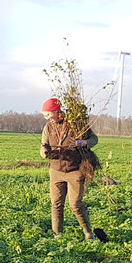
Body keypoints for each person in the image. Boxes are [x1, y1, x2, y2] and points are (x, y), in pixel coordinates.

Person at [39, 97, 99, 240]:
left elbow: (94, 139)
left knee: (75, 204)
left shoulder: (75, 123)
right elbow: (42, 146)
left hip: (75, 170)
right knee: (56, 204)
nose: (47, 118)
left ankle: (88, 233)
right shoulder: (48, 128)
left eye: (48, 114)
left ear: (57, 111)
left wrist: (83, 142)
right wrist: (44, 152)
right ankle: (57, 236)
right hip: (56, 171)